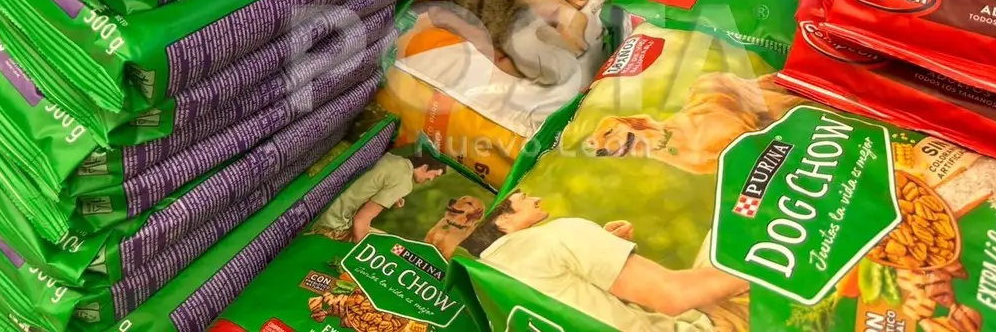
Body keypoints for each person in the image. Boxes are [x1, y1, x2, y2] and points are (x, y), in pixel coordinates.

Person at [460, 192, 748, 332]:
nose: (535, 197)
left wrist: (605, 250)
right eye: (522, 198)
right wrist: (761, 269)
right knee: (736, 220)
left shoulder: (491, 283)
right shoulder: (557, 236)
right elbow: (673, 295)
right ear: (503, 219)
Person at [310, 154, 445, 242]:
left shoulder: (392, 157)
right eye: (434, 175)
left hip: (320, 197)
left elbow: (373, 180)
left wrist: (392, 196)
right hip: (330, 223)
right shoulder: (404, 183)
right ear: (425, 167)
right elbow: (361, 220)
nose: (431, 179)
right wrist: (359, 254)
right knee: (388, 245)